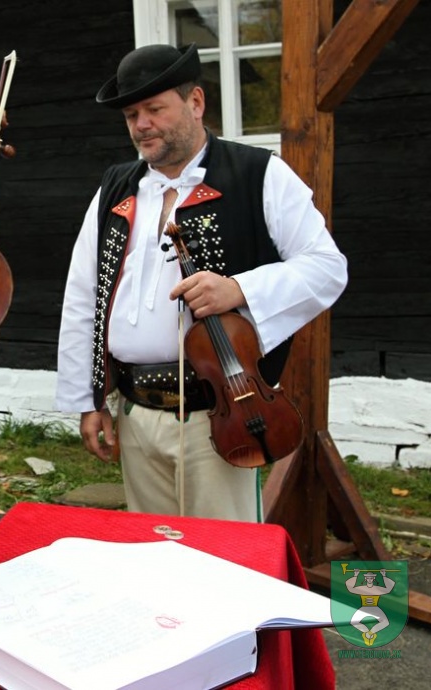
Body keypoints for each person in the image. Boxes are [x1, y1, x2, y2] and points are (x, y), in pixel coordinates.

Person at [56, 44, 348, 523]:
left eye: (154, 109)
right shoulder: (116, 187)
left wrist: (241, 289)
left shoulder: (258, 174)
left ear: (195, 103)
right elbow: (83, 294)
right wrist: (87, 402)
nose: (141, 124)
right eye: (131, 114)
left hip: (222, 413)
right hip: (134, 411)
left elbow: (326, 266)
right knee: (154, 559)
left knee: (226, 565)